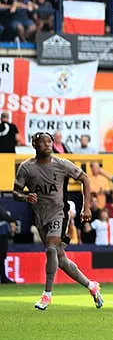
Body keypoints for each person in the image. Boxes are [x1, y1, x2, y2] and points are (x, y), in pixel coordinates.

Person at [13, 132, 103, 310]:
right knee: (60, 259)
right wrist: (24, 197)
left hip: (59, 213)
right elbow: (15, 192)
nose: (47, 144)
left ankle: (47, 294)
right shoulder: (26, 167)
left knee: (51, 250)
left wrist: (86, 208)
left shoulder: (62, 164)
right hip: (40, 217)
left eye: (49, 141)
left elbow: (84, 178)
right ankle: (91, 286)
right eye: (42, 142)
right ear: (34, 145)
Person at [0, 204, 16, 283]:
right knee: (1, 256)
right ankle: (3, 278)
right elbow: (4, 216)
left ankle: (3, 277)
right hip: (1, 235)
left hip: (3, 234)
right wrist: (12, 220)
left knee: (2, 257)